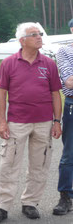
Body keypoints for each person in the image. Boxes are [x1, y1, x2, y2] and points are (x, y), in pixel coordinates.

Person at [0, 22, 62, 223]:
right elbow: (1, 94)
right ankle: (2, 206)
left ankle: (30, 202)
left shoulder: (49, 64)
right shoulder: (8, 63)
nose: (39, 37)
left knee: (40, 164)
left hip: (44, 122)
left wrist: (57, 121)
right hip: (17, 122)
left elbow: (56, 94)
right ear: (22, 40)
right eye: (34, 34)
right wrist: (2, 122)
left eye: (39, 34)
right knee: (9, 164)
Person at [53, 18, 73, 216]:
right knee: (69, 155)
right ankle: (66, 196)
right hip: (72, 105)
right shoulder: (65, 51)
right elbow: (69, 82)